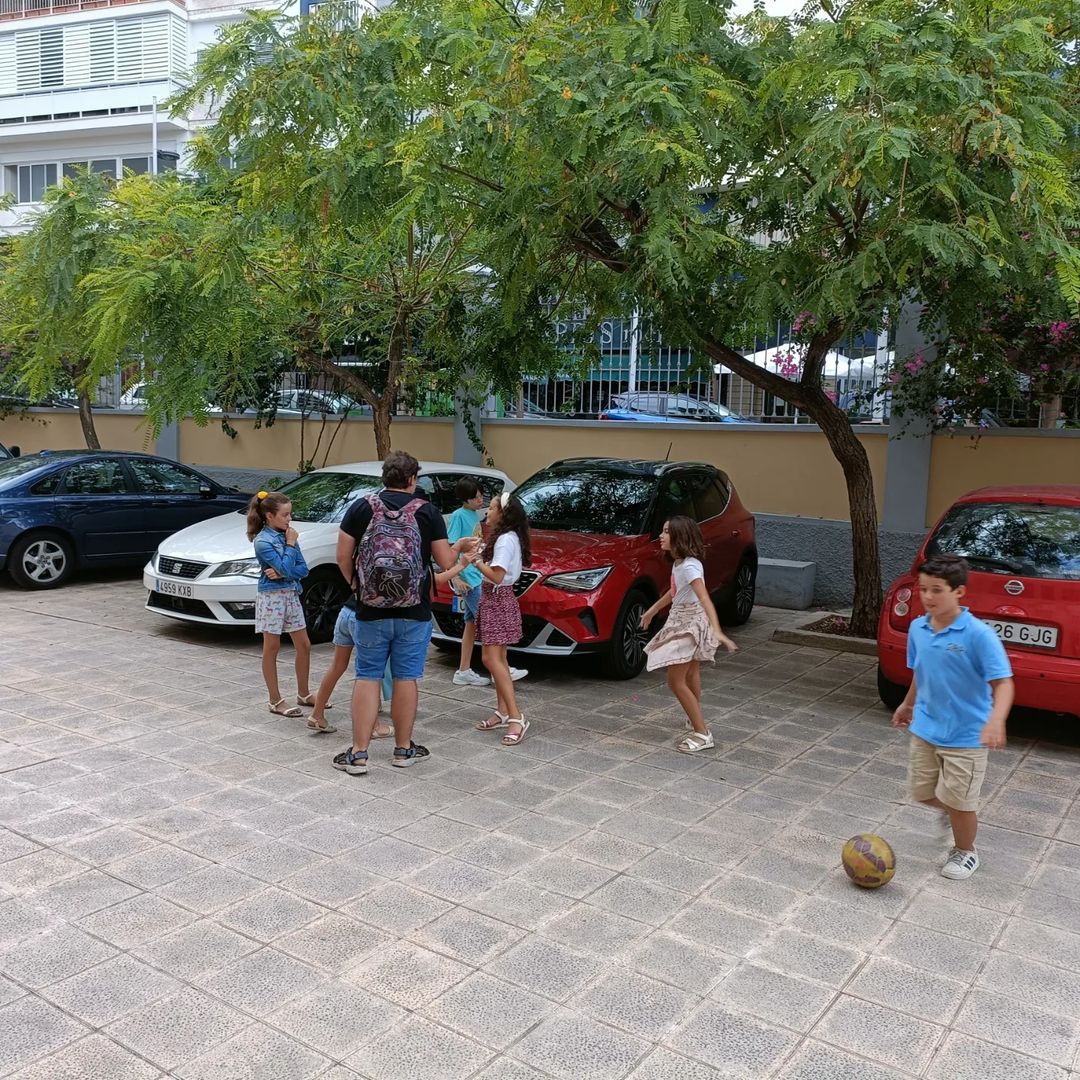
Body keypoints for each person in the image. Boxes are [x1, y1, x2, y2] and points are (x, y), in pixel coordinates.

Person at [332, 451, 477, 775]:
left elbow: (342, 555)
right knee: (406, 677)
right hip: (415, 611)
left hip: (369, 610)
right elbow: (445, 561)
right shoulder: (427, 511)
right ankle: (403, 749)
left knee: (368, 676)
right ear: (413, 479)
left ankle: (358, 754)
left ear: (385, 476)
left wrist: (357, 585)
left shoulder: (361, 507)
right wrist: (459, 548)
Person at [892, 554, 1013, 880]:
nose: (928, 596)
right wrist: (908, 704)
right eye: (923, 589)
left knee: (960, 804)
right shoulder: (918, 628)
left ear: (959, 591)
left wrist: (996, 720)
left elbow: (1003, 683)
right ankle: (955, 812)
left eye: (937, 590)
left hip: (967, 736)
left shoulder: (978, 635)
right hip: (926, 729)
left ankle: (965, 851)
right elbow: (921, 671)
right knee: (922, 792)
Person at [310, 560, 477, 736]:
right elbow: (434, 580)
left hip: (347, 611)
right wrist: (461, 565)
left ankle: (317, 714)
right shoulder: (409, 561)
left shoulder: (376, 557)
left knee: (337, 666)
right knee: (371, 675)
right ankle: (373, 726)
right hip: (366, 619)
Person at [640, 516, 737, 753]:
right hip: (684, 619)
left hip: (688, 623)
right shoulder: (680, 563)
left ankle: (703, 734)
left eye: (666, 532)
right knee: (691, 672)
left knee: (675, 681)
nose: (661, 536)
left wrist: (717, 630)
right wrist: (652, 611)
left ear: (680, 536)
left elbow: (704, 597)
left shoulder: (690, 566)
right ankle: (694, 719)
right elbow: (675, 591)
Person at [447, 478, 528, 687]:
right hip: (472, 579)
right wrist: (456, 576)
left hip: (477, 576)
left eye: (484, 498)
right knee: (491, 627)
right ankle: (500, 667)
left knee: (472, 623)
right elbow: (451, 547)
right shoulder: (458, 516)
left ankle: (464, 669)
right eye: (476, 497)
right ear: (465, 499)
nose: (481, 502)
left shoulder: (477, 517)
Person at [472, 492, 531, 746]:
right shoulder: (507, 537)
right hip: (497, 598)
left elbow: (497, 576)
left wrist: (476, 562)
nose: (488, 511)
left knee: (490, 659)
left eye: (493, 508)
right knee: (500, 658)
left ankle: (516, 717)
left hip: (497, 598)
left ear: (503, 514)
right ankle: (503, 711)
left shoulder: (505, 540)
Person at [248, 490, 313, 718]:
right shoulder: (263, 541)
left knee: (304, 645)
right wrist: (291, 546)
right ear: (269, 516)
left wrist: (284, 571)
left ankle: (304, 693)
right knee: (272, 647)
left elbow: (303, 570)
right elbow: (287, 566)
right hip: (272, 597)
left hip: (291, 593)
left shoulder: (287, 535)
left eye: (290, 514)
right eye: (285, 515)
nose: (289, 519)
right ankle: (275, 700)